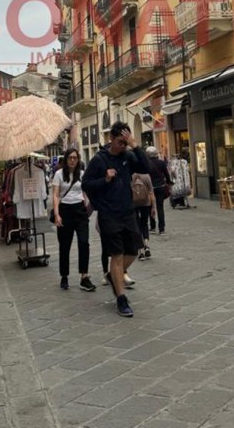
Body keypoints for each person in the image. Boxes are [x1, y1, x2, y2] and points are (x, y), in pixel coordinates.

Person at [82, 121, 149, 318]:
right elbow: (86, 183)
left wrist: (135, 145)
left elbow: (146, 168)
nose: (122, 146)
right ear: (111, 138)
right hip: (109, 215)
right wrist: (105, 179)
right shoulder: (99, 160)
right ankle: (121, 299)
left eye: (125, 142)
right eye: (120, 141)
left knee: (134, 252)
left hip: (128, 212)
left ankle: (114, 276)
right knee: (117, 256)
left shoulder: (128, 155)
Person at [52, 147, 96, 292]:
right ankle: (64, 275)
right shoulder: (58, 174)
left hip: (79, 211)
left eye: (75, 158)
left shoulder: (82, 174)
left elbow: (85, 192)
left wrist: (87, 206)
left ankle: (84, 277)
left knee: (84, 243)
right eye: (70, 158)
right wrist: (57, 214)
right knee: (65, 245)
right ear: (66, 159)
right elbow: (56, 195)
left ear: (78, 160)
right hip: (65, 211)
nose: (72, 160)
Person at [146, 146, 172, 234]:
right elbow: (166, 174)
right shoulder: (161, 163)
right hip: (160, 187)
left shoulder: (146, 163)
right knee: (160, 208)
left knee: (150, 207)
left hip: (150, 189)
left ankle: (152, 226)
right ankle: (162, 229)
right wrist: (169, 183)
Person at [132, 171, 155, 260]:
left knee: (136, 226)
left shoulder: (131, 175)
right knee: (144, 224)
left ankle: (140, 250)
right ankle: (146, 245)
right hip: (146, 203)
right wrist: (153, 207)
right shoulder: (147, 176)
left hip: (133, 203)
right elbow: (151, 193)